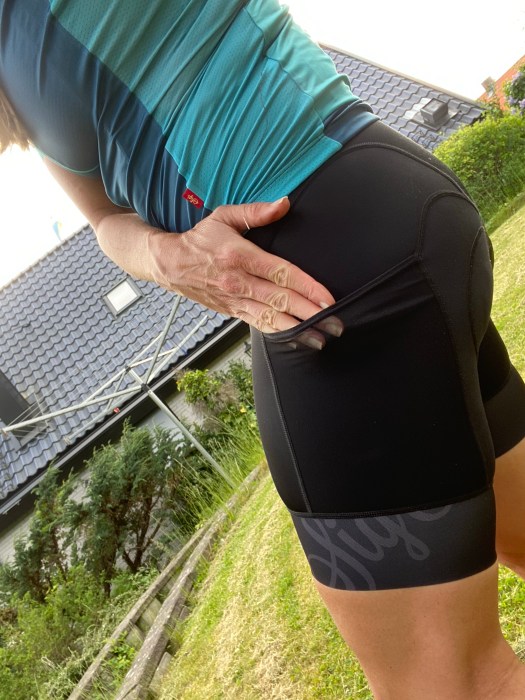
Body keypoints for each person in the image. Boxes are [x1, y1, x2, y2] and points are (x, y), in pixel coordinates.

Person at [1, 1, 524, 697]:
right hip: (379, 234)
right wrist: (169, 256)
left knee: (450, 685)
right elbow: (103, 219)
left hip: (334, 283)